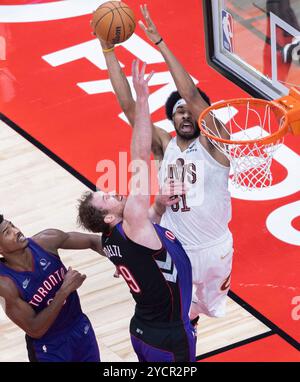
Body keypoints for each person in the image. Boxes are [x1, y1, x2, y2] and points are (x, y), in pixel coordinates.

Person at [94, 4, 233, 326]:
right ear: (171, 117)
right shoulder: (164, 146)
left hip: (216, 248)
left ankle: (192, 323)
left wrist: (160, 44)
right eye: (179, 111)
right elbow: (128, 106)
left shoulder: (216, 143)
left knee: (203, 310)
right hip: (176, 246)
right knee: (176, 315)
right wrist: (107, 49)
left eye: (191, 110)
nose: (186, 114)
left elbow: (191, 94)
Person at [78, 60, 196, 362]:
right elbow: (141, 156)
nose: (115, 192)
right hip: (168, 336)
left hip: (144, 331)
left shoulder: (113, 238)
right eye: (107, 198)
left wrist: (157, 208)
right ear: (109, 216)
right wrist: (142, 100)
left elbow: (147, 240)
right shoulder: (129, 221)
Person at [0, 215, 101, 362]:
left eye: (13, 226)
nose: (16, 231)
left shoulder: (46, 240)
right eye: (7, 232)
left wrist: (122, 261)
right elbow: (35, 329)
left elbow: (94, 241)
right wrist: (64, 291)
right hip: (49, 348)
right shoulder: (5, 284)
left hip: (79, 327)